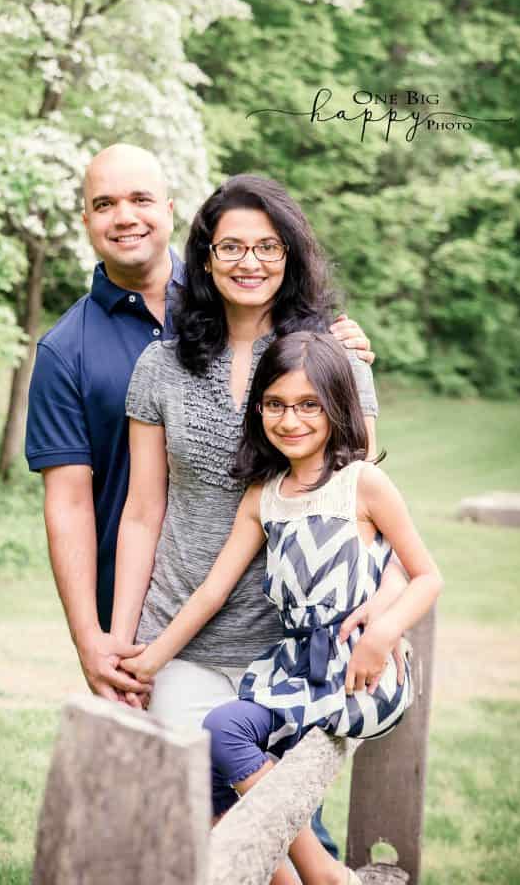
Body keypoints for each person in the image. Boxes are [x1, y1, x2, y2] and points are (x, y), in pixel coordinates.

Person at [111, 174, 409, 879]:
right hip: (179, 634)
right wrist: (126, 645)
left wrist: (387, 617)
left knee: (285, 816)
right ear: (205, 259)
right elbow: (142, 511)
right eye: (231, 247)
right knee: (192, 828)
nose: (249, 261)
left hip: (293, 652)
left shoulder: (334, 363)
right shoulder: (159, 365)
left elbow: (363, 513)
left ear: (291, 256)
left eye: (267, 246)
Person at [25, 144, 373, 713]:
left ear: (168, 208)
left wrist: (342, 353)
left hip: (285, 630)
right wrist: (100, 639)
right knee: (170, 794)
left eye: (140, 199)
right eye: (105, 203)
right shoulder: (70, 351)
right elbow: (80, 506)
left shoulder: (275, 312)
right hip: (155, 614)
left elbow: (361, 498)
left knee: (278, 798)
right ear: (85, 219)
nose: (126, 216)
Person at [121, 330, 443, 885]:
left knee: (251, 766)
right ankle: (314, 876)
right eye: (275, 405)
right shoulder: (264, 497)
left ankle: (318, 876)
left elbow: (426, 576)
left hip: (359, 674)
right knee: (224, 734)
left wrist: (381, 632)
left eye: (307, 405)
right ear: (259, 411)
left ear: (336, 407)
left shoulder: (362, 484)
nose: (290, 421)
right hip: (296, 671)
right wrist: (148, 662)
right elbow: (211, 592)